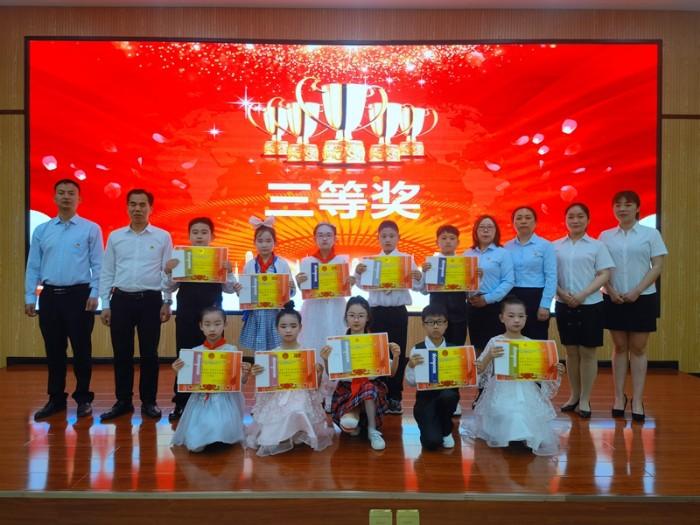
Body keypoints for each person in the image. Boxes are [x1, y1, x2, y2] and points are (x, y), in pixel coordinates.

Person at [25, 179, 103, 420]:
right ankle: (56, 399)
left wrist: (95, 293)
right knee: (54, 350)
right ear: (54, 197)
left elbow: (98, 265)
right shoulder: (42, 230)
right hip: (50, 297)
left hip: (79, 296)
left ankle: (83, 398)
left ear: (79, 199)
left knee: (82, 350)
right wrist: (30, 295)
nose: (66, 196)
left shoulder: (90, 229)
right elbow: (33, 266)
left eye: (71, 193)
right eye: (61, 192)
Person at [99, 189, 173, 421]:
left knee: (149, 354)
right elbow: (107, 271)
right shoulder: (115, 236)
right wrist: (105, 304)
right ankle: (123, 401)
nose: (137, 209)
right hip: (120, 300)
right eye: (133, 204)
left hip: (151, 301)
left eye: (142, 205)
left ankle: (149, 402)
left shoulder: (162, 237)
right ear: (127, 207)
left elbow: (168, 272)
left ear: (151, 208)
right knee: (122, 354)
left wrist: (167, 301)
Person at [460, 296, 566, 456]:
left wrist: (555, 370)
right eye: (511, 316)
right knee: (506, 410)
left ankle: (522, 436)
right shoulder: (495, 341)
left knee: (525, 410)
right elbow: (478, 369)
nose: (516, 320)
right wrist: (489, 356)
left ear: (526, 318)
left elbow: (540, 374)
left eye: (521, 316)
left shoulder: (531, 344)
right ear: (502, 318)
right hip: (501, 388)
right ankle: (516, 436)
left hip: (525, 388)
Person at [163, 217, 240, 421]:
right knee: (186, 357)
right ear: (189, 236)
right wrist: (168, 271)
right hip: (187, 316)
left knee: (213, 357)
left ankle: (214, 403)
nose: (199, 236)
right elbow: (169, 287)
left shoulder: (219, 258)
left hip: (213, 319)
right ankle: (181, 403)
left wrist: (229, 272)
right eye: (195, 232)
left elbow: (230, 290)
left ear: (212, 236)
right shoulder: (181, 258)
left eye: (204, 232)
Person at [599, 190, 667, 421]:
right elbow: (601, 268)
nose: (622, 209)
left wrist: (637, 290)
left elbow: (657, 266)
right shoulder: (605, 236)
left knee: (638, 348)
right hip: (613, 296)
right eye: (618, 205)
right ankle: (619, 397)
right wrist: (611, 290)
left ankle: (637, 400)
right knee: (619, 346)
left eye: (628, 204)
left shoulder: (651, 234)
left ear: (637, 208)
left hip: (643, 296)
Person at [354, 220, 422, 415]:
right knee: (378, 355)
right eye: (384, 236)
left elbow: (417, 287)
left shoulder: (406, 260)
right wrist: (358, 274)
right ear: (378, 238)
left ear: (398, 238)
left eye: (391, 236)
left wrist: (418, 277)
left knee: (397, 353)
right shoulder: (371, 261)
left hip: (398, 312)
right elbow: (362, 286)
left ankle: (395, 397)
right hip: (376, 313)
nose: (388, 239)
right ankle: (379, 395)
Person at [247, 305, 334, 456]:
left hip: (300, 394)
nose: (288, 330)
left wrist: (318, 374)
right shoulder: (271, 355)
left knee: (298, 406)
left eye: (293, 326)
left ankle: (298, 431)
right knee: (272, 428)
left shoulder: (306, 354)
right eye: (283, 326)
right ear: (276, 328)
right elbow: (265, 387)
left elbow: (314, 387)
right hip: (278, 395)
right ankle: (286, 434)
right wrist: (257, 374)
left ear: (300, 328)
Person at [554, 203, 615, 418]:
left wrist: (583, 294)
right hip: (564, 303)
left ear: (588, 220)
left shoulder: (597, 246)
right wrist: (561, 293)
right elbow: (550, 275)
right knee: (571, 352)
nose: (575, 220)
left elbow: (604, 274)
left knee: (588, 353)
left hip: (591, 304)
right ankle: (574, 395)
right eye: (571, 216)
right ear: (565, 220)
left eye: (580, 216)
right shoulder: (555, 246)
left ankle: (585, 399)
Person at [320, 296, 401, 451]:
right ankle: (355, 416)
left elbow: (391, 373)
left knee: (368, 389)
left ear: (367, 318)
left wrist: (396, 356)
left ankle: (372, 430)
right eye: (352, 315)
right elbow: (333, 374)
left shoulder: (375, 341)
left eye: (361, 316)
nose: (356, 320)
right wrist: (325, 360)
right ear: (346, 317)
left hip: (371, 388)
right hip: (347, 389)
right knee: (348, 424)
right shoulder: (338, 343)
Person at [171, 307, 250, 452]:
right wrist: (179, 372)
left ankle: (220, 436)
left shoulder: (231, 351)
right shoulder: (195, 352)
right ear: (201, 326)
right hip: (201, 399)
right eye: (207, 324)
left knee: (221, 427)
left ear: (225, 324)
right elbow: (188, 382)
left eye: (217, 324)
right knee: (197, 438)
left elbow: (238, 382)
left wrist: (244, 374)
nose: (212, 329)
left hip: (224, 399)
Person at [296, 222, 350, 410]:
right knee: (314, 345)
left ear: (335, 238)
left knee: (336, 347)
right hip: (314, 311)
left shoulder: (342, 260)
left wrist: (349, 281)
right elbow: (304, 289)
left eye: (328, 235)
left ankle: (334, 394)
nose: (324, 238)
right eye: (320, 235)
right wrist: (300, 283)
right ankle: (314, 393)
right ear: (315, 239)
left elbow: (345, 287)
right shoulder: (307, 262)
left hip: (336, 309)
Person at [405, 304, 460, 450]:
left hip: (447, 395)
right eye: (430, 322)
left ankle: (447, 429)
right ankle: (429, 425)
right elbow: (410, 382)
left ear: (446, 324)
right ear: (424, 324)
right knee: (432, 443)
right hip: (426, 399)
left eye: (440, 322)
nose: (435, 326)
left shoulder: (454, 350)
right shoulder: (417, 349)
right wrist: (410, 365)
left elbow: (464, 380)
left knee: (449, 396)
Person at [238, 216, 296, 352]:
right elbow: (244, 294)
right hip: (256, 314)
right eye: (260, 241)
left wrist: (291, 288)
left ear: (275, 242)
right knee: (259, 352)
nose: (264, 245)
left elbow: (291, 293)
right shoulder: (249, 265)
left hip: (276, 314)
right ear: (254, 243)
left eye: (268, 241)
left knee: (277, 350)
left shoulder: (282, 264)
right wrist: (239, 290)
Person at [505, 206, 557, 340]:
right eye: (519, 218)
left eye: (528, 218)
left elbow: (551, 277)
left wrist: (545, 305)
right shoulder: (506, 247)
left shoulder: (546, 246)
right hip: (511, 296)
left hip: (536, 297)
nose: (523, 221)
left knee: (536, 340)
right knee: (513, 339)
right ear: (513, 223)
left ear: (535, 223)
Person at [464, 215, 514, 352]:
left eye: (490, 227)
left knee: (496, 348)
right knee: (478, 347)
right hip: (473, 305)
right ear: (475, 231)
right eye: (482, 227)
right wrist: (469, 294)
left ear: (496, 231)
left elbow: (508, 281)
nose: (486, 230)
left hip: (494, 305)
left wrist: (487, 299)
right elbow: (461, 280)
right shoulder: (467, 253)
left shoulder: (503, 253)